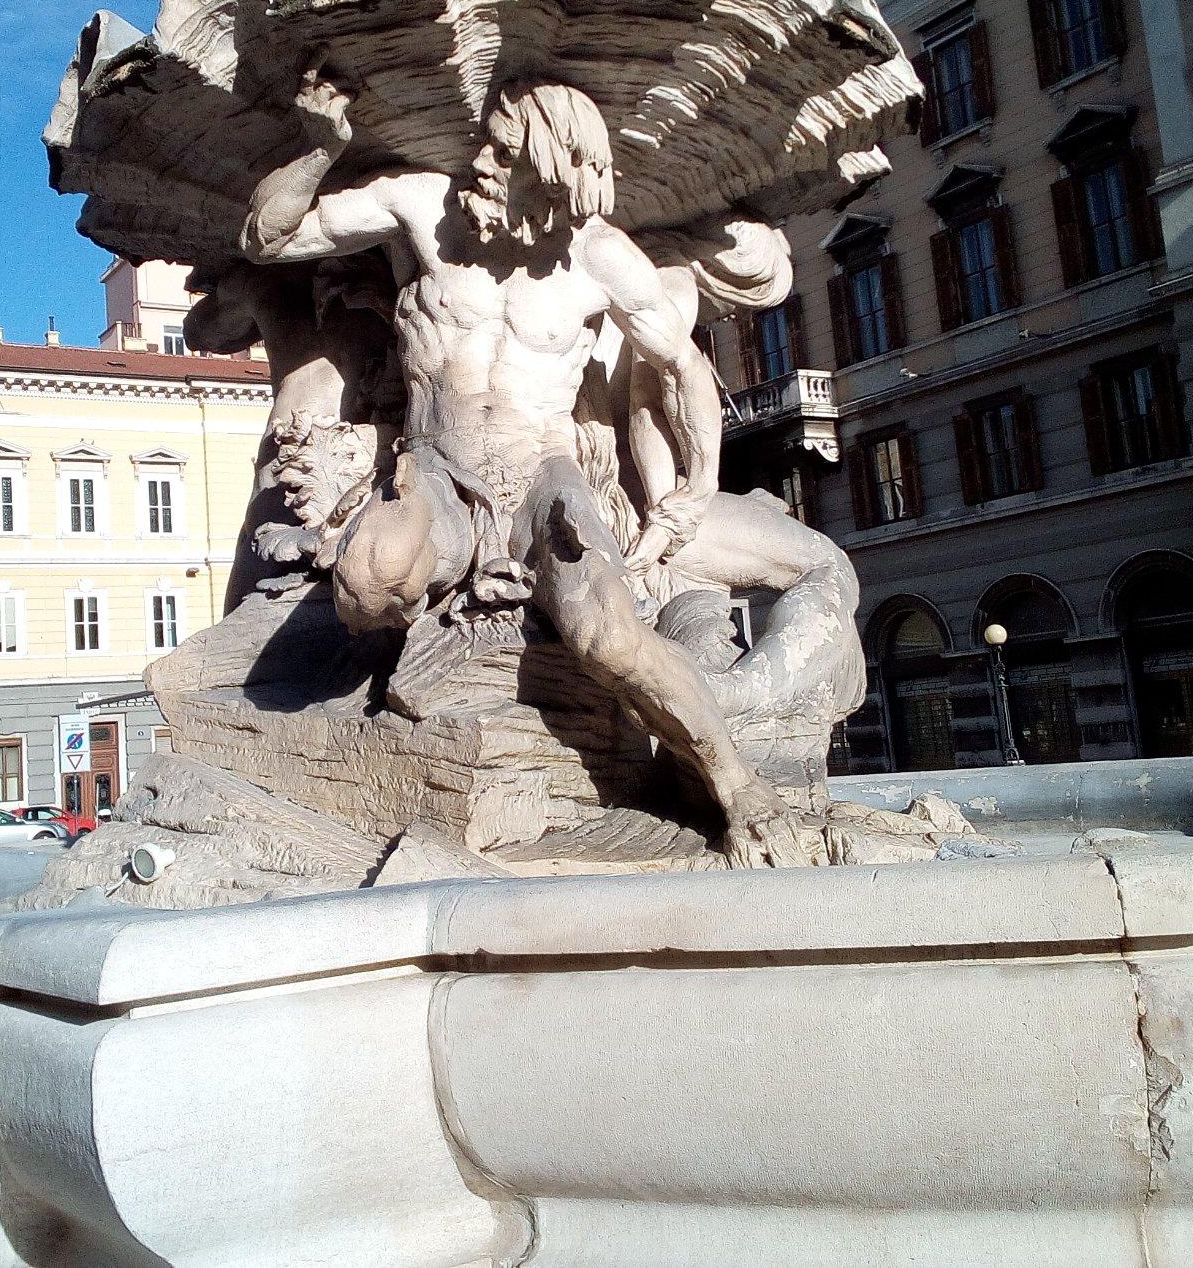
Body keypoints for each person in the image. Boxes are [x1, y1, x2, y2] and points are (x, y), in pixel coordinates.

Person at [240, 61, 815, 867]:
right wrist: (319, 146)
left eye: (502, 154)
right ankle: (406, 686)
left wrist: (698, 487)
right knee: (367, 584)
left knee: (609, 635)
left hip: (541, 481)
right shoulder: (419, 208)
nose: (480, 164)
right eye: (486, 149)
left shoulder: (599, 257)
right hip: (434, 470)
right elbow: (266, 236)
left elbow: (683, 367)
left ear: (552, 179)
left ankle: (735, 786)